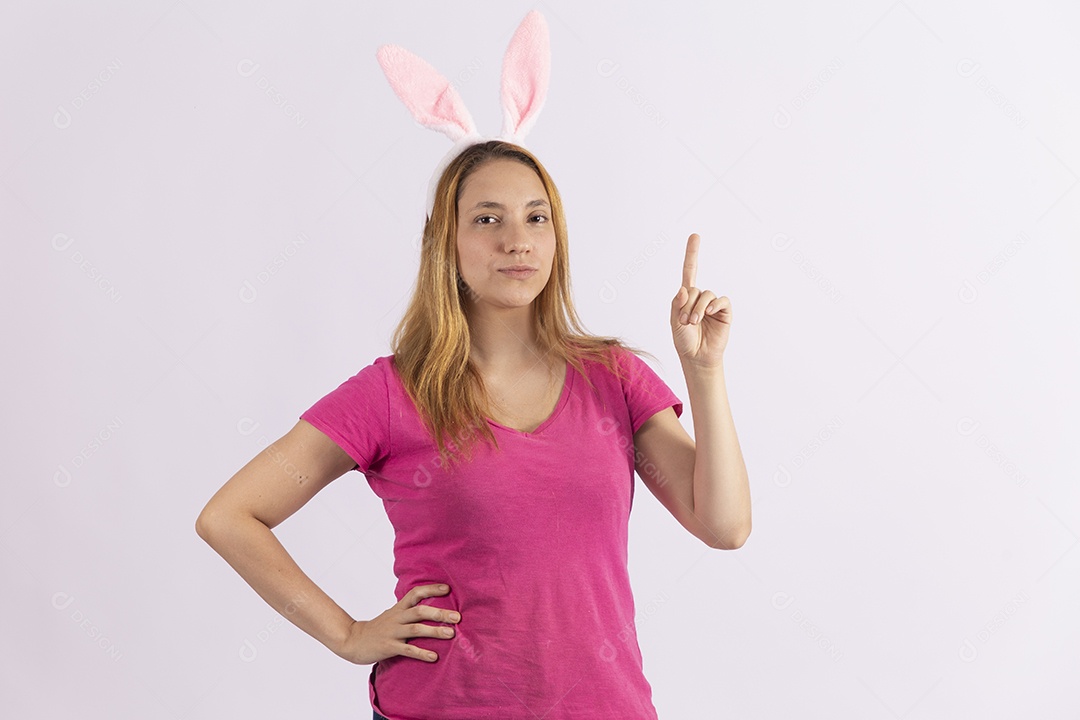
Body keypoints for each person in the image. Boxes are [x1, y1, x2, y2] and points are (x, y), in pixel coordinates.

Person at [195, 138, 751, 719]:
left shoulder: (614, 377)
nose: (517, 240)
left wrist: (703, 369)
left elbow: (725, 525)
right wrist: (347, 634)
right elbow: (230, 516)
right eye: (488, 219)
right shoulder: (391, 392)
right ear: (446, 241)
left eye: (536, 217)